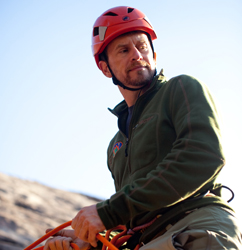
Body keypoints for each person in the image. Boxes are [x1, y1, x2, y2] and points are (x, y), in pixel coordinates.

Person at [44, 6, 242, 250]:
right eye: (124, 50)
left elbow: (203, 156)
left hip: (195, 225)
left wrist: (107, 212)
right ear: (106, 68)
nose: (137, 55)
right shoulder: (115, 146)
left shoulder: (180, 89)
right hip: (146, 241)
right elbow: (132, 214)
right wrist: (91, 240)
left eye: (142, 46)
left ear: (154, 56)